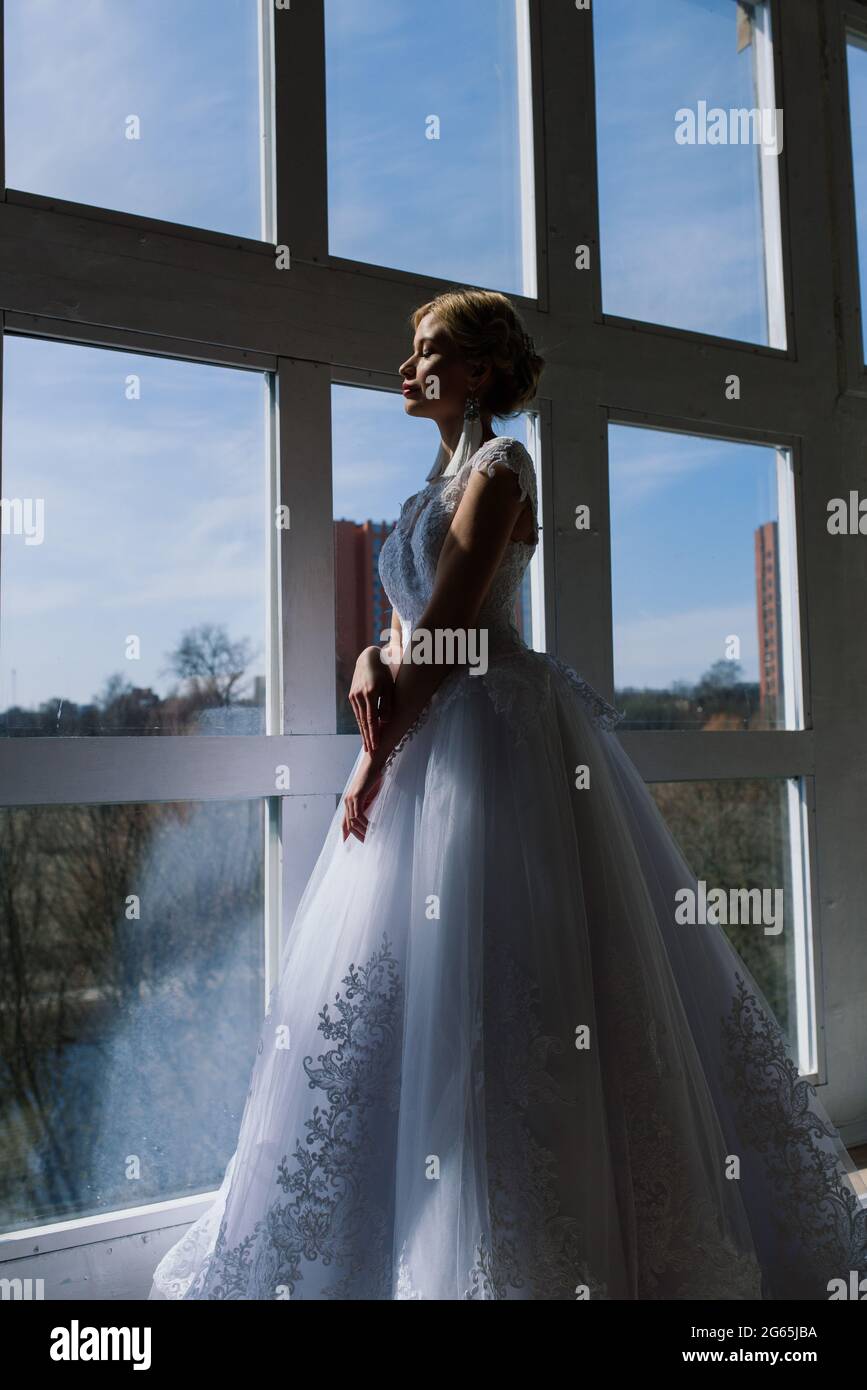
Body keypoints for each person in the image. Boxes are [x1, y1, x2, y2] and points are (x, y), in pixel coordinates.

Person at [149, 289, 866, 1301]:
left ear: (481, 371)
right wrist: (364, 652)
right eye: (409, 350)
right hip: (436, 741)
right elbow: (406, 627)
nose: (410, 367)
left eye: (431, 350)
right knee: (413, 990)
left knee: (529, 982)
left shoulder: (503, 467)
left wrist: (371, 753)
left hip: (501, 737)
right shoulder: (425, 489)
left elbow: (447, 629)